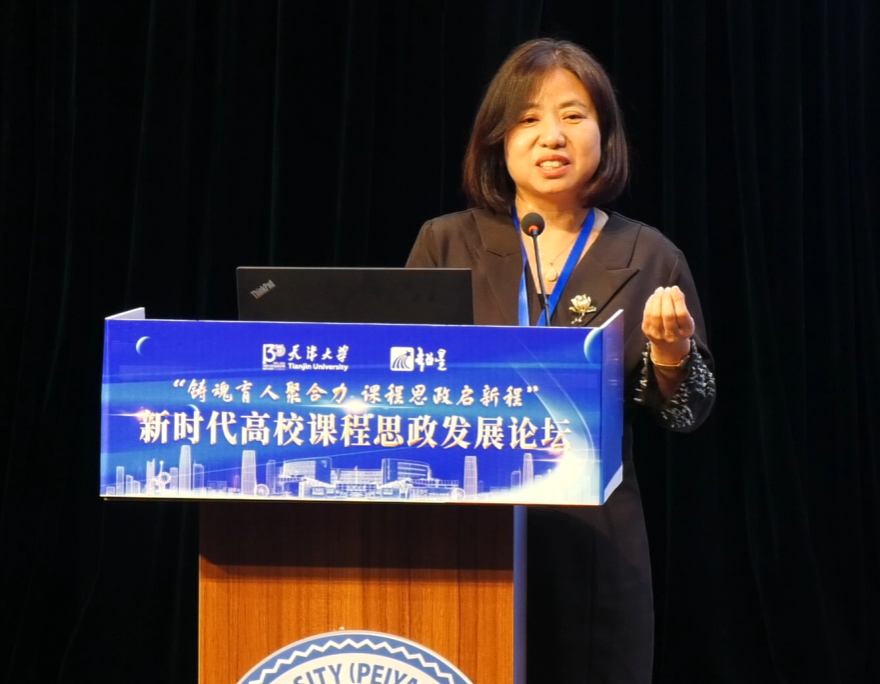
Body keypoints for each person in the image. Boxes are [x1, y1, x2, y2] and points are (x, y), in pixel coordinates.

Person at [406, 39, 716, 683]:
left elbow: (687, 411)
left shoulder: (649, 255)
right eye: (528, 118)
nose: (552, 135)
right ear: (498, 139)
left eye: (573, 115)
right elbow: (398, 384)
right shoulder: (447, 242)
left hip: (593, 541)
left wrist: (672, 354)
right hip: (464, 529)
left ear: (605, 133)